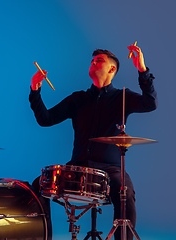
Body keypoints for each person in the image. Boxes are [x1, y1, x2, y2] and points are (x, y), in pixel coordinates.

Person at [29, 44, 157, 240]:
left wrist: (142, 70)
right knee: (39, 184)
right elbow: (46, 119)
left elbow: (150, 104)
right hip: (77, 167)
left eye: (100, 60)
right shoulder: (78, 98)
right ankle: (43, 236)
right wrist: (35, 92)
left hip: (110, 170)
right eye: (92, 60)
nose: (93, 62)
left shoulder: (123, 97)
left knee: (125, 192)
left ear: (112, 69)